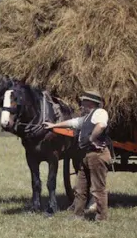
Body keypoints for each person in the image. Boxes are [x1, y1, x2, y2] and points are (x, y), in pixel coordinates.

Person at [44, 91, 111, 221]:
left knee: (98, 189)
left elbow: (101, 125)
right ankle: (77, 215)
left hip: (97, 155)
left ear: (90, 103)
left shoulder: (100, 113)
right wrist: (54, 126)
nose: (81, 104)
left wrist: (91, 138)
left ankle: (101, 218)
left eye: (83, 102)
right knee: (80, 188)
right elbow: (72, 123)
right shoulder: (87, 117)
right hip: (86, 156)